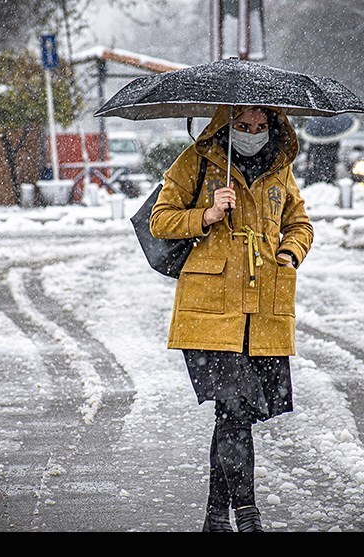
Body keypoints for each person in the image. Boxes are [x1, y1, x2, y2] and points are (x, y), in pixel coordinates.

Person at [149, 105, 314, 532]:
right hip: (209, 310)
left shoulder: (280, 168)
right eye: (242, 126)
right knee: (236, 408)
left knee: (233, 412)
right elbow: (160, 220)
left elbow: (300, 223)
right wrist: (206, 215)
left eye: (260, 127)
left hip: (262, 311)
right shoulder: (198, 161)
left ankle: (214, 518)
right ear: (226, 125)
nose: (252, 133)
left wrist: (288, 253)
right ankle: (247, 515)